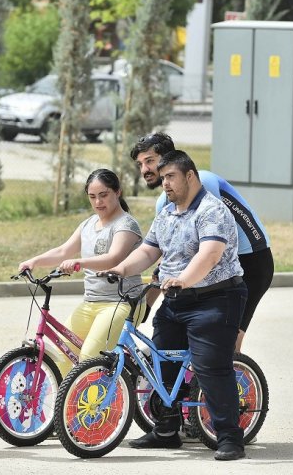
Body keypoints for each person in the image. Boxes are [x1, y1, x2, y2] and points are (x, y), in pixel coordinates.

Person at [105, 150, 248, 461]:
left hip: (216, 298)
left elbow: (209, 255)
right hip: (175, 299)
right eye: (163, 177)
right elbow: (148, 251)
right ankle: (166, 430)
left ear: (190, 176)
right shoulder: (168, 212)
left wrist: (183, 278)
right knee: (161, 361)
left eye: (170, 177)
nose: (164, 183)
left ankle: (230, 439)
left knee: (211, 367)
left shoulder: (213, 210)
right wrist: (121, 269)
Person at [131, 132, 273, 352]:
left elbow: (210, 247)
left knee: (226, 343)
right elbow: (171, 256)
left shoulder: (203, 182)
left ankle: (232, 384)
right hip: (210, 262)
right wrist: (146, 305)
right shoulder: (165, 204)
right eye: (140, 164)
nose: (144, 170)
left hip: (251, 262)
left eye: (149, 161)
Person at [19, 169, 144, 375]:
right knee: (63, 357)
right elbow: (62, 251)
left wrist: (79, 262)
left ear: (118, 192)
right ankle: (65, 406)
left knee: (88, 359)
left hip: (122, 302)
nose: (98, 203)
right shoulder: (87, 225)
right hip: (91, 303)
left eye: (103, 195)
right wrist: (34, 261)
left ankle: (96, 406)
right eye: (92, 197)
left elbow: (113, 258)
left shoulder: (126, 224)